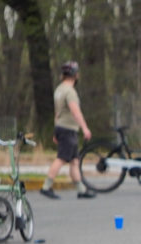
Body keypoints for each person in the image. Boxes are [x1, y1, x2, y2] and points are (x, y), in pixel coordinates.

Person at [40, 61, 93, 200]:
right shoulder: (70, 92)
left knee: (75, 160)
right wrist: (85, 128)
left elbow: (57, 112)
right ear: (75, 75)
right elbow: (75, 111)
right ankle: (46, 186)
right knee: (62, 159)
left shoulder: (59, 89)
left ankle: (81, 190)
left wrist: (55, 130)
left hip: (61, 127)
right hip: (68, 129)